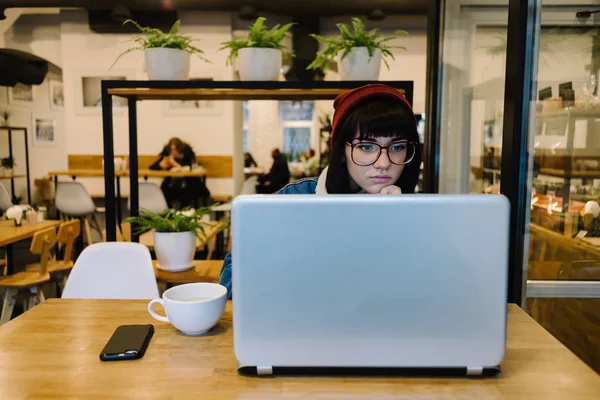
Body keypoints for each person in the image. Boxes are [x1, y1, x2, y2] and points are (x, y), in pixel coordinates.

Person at [220, 84, 421, 298]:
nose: (383, 163)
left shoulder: (421, 214)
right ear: (342, 151)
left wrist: (398, 229)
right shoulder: (296, 200)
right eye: (366, 146)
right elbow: (230, 283)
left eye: (397, 147)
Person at [149, 137, 210, 208]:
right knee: (164, 192)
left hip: (189, 184)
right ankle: (168, 213)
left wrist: (176, 165)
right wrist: (160, 165)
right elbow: (152, 167)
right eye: (171, 150)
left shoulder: (188, 154)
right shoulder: (167, 155)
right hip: (173, 184)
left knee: (188, 194)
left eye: (175, 149)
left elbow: (191, 167)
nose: (173, 152)